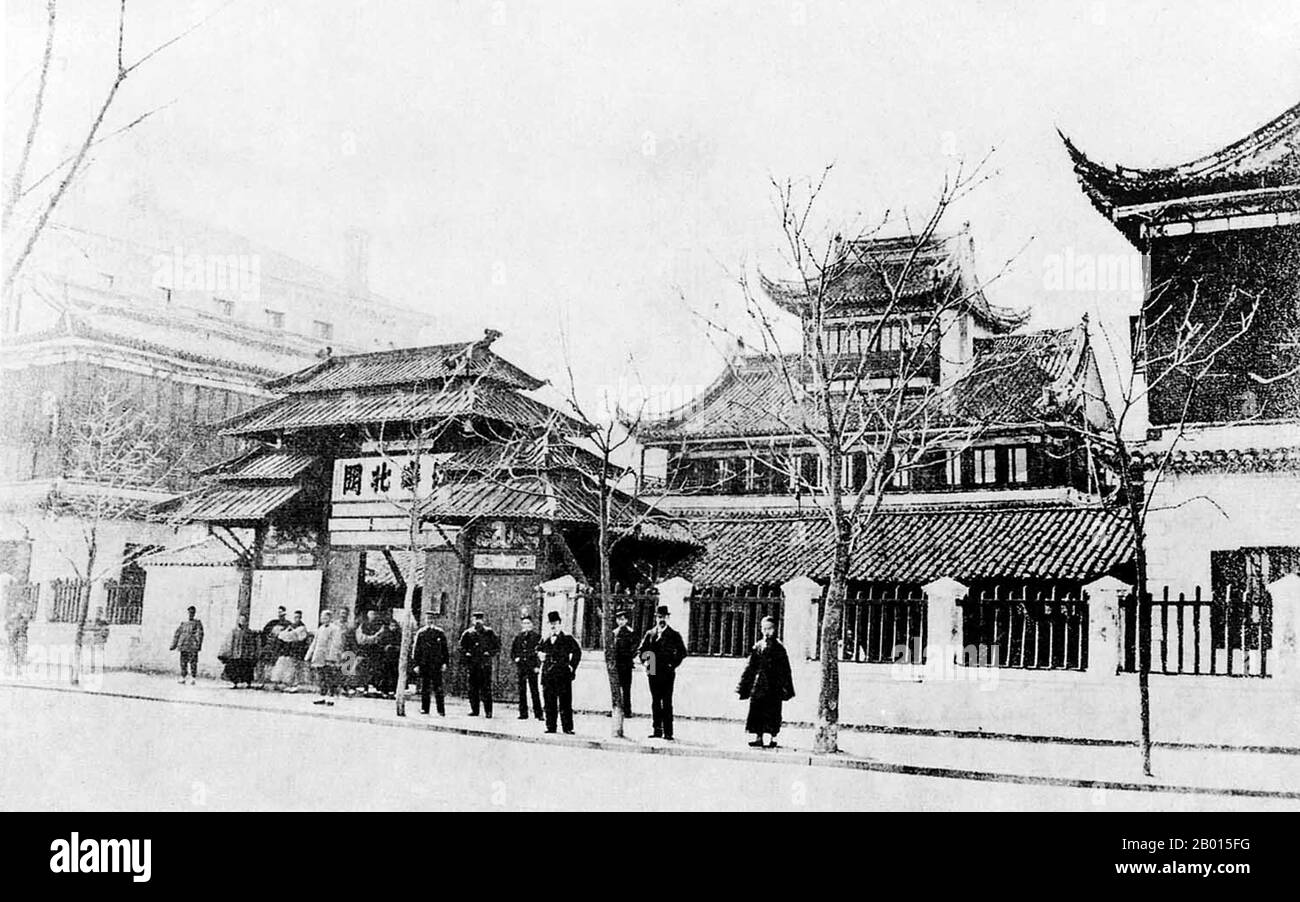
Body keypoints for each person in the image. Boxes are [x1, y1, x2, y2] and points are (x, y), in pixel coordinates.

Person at [737, 616, 796, 749]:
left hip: (774, 686)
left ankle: (772, 738)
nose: (766, 632)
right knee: (757, 711)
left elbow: (786, 670)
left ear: (775, 629)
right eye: (764, 629)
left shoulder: (779, 648)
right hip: (759, 685)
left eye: (769, 629)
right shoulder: (758, 646)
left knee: (773, 712)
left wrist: (787, 688)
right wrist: (743, 686)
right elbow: (750, 667)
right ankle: (758, 737)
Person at [637, 604, 687, 740]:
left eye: (664, 617)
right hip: (653, 672)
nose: (661, 620)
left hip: (667, 673)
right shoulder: (650, 634)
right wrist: (647, 664)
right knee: (655, 701)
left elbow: (683, 652)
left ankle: (668, 732)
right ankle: (657, 730)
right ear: (656, 618)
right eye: (659, 617)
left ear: (668, 617)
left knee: (667, 702)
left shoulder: (674, 635)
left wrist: (672, 664)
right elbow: (641, 650)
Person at [537, 610, 581, 734]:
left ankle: (567, 728)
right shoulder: (545, 638)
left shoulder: (567, 638)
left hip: (562, 675)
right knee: (549, 701)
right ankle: (550, 726)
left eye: (555, 622)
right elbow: (537, 650)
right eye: (551, 623)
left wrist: (572, 666)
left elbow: (577, 652)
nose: (553, 625)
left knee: (565, 702)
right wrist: (540, 654)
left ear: (560, 623)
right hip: (548, 675)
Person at [459, 611, 500, 717]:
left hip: (485, 665)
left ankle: (488, 711)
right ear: (472, 620)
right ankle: (474, 710)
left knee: (486, 688)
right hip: (473, 665)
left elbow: (497, 646)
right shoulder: (468, 633)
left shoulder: (489, 632)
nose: (477, 621)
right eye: (475, 619)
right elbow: (461, 647)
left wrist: (489, 653)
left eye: (479, 619)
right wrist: (466, 654)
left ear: (483, 620)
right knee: (472, 688)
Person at [412, 611, 450, 716]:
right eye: (428, 619)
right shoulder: (421, 633)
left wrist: (445, 663)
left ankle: (441, 710)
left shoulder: (440, 633)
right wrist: (416, 664)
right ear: (425, 620)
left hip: (436, 665)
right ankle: (425, 708)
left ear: (435, 620)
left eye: (432, 619)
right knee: (425, 687)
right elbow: (416, 650)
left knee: (438, 688)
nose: (430, 621)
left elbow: (445, 650)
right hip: (425, 664)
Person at [306, 610, 346, 705]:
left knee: (330, 677)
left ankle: (331, 697)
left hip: (328, 656)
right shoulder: (320, 629)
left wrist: (331, 657)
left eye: (325, 617)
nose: (322, 619)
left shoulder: (335, 629)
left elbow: (335, 644)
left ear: (329, 618)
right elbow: (314, 643)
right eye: (322, 617)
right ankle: (322, 696)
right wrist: (309, 655)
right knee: (321, 677)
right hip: (319, 655)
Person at [510, 614, 543, 721]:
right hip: (522, 667)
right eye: (524, 623)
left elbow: (540, 653)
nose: (526, 625)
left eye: (528, 623)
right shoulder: (518, 637)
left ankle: (538, 714)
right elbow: (513, 652)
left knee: (534, 690)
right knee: (521, 690)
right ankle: (523, 713)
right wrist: (516, 658)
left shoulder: (537, 637)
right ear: (521, 625)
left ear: (532, 625)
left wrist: (538, 666)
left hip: (532, 667)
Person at [271, 610, 312, 691]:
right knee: (283, 664)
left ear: (300, 618)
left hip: (297, 650)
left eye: (298, 617)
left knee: (294, 667)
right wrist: (288, 632)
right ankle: (280, 683)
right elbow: (282, 635)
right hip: (288, 649)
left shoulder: (302, 627)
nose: (296, 619)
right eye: (295, 617)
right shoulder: (291, 626)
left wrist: (290, 634)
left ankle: (293, 684)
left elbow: (298, 637)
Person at [218, 613, 258, 688]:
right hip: (235, 654)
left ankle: (247, 683)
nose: (242, 622)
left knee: (246, 668)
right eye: (241, 620)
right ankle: (235, 683)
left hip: (245, 655)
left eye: (244, 620)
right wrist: (227, 652)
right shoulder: (234, 631)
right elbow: (229, 642)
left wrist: (251, 653)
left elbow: (251, 644)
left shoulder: (249, 632)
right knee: (235, 669)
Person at [611, 609, 637, 718]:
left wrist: (629, 656)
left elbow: (635, 647)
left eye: (623, 619)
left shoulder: (631, 632)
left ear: (626, 620)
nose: (620, 622)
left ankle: (627, 710)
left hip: (626, 664)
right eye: (618, 619)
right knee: (615, 688)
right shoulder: (614, 632)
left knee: (626, 688)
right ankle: (615, 710)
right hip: (616, 664)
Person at [170, 606, 204, 685]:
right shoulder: (184, 623)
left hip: (192, 646)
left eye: (192, 613)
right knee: (183, 662)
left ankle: (193, 678)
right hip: (183, 645)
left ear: (194, 613)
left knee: (193, 662)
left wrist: (197, 644)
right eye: (189, 613)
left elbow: (199, 634)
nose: (190, 614)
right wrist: (173, 645)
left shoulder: (197, 623)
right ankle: (183, 677)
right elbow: (177, 633)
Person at [258, 606, 290, 686]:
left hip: (279, 648)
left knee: (278, 665)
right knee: (266, 664)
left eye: (282, 613)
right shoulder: (272, 623)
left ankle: (276, 683)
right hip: (270, 646)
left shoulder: (288, 624)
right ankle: (263, 682)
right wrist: (265, 644)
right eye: (279, 613)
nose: (280, 615)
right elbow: (264, 633)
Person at [355, 609, 385, 695]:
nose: (372, 616)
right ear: (368, 616)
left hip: (375, 651)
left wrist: (370, 639)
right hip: (364, 650)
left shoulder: (380, 626)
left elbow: (380, 638)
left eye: (374, 614)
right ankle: (363, 686)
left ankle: (375, 687)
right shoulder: (363, 626)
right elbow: (360, 639)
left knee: (375, 669)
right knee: (363, 668)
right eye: (371, 614)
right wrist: (373, 638)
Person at [379, 612, 403, 698]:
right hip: (386, 657)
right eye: (391, 626)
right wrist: (386, 647)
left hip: (395, 658)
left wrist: (396, 647)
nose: (393, 628)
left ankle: (393, 690)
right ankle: (384, 690)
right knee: (385, 674)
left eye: (395, 626)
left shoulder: (399, 635)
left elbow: (402, 645)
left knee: (394, 674)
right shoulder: (385, 634)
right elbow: (380, 645)